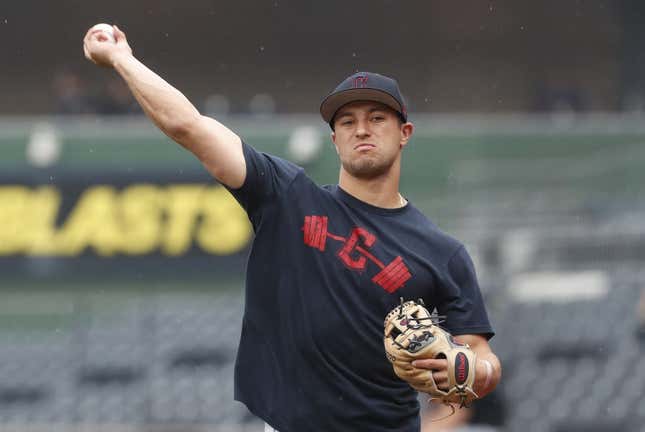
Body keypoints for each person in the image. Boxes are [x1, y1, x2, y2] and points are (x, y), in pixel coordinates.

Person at [83, 24, 502, 432]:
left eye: (377, 118)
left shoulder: (441, 252)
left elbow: (483, 356)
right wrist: (122, 57)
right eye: (346, 121)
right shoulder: (288, 197)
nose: (361, 129)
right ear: (334, 140)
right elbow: (188, 126)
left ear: (404, 133)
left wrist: (471, 368)